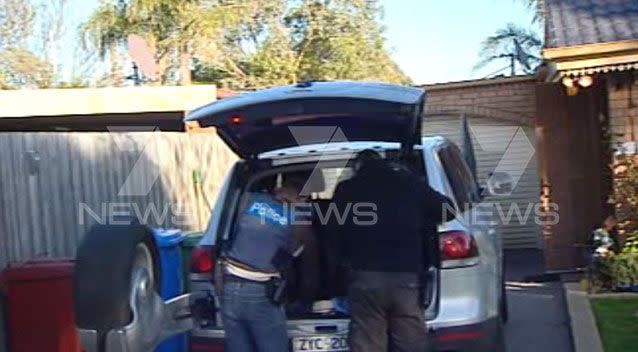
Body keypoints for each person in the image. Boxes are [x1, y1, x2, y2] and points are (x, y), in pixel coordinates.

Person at [330, 149, 454, 352]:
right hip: (406, 276)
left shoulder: (347, 189)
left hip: (364, 276)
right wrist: (420, 219)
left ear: (357, 168)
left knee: (368, 339)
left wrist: (335, 270)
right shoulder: (410, 184)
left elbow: (331, 232)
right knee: (410, 339)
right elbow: (448, 210)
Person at [221, 175, 318, 352]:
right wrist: (303, 299)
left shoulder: (250, 200)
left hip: (228, 287)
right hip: (260, 293)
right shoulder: (298, 219)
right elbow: (294, 262)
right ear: (302, 198)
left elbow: (230, 233)